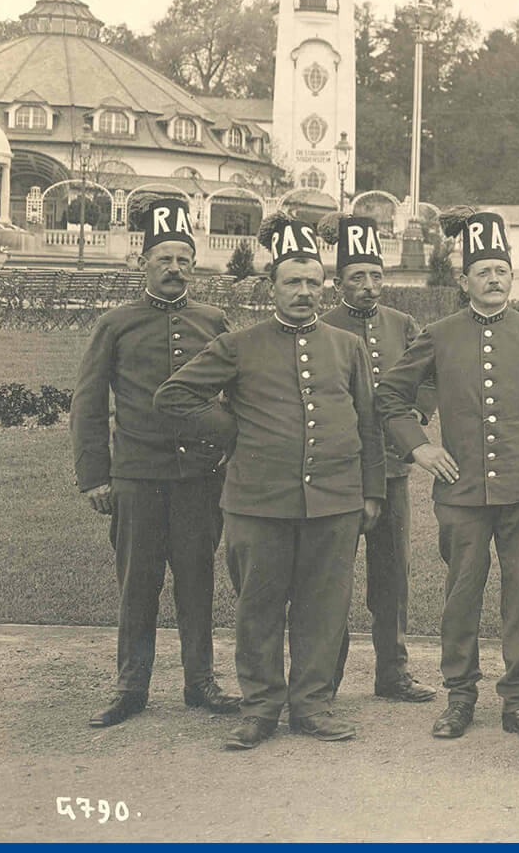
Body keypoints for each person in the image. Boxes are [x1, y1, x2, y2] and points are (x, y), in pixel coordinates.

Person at [156, 212, 385, 750]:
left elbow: (368, 422)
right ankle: (259, 708)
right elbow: (174, 396)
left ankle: (312, 706)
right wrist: (234, 431)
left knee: (323, 609)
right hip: (257, 502)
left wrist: (371, 491)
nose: (304, 292)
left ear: (324, 286)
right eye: (292, 282)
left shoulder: (346, 346)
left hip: (334, 500)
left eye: (313, 282)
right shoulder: (240, 344)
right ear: (271, 287)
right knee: (258, 607)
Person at [375, 208, 519, 742]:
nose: (494, 279)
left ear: (512, 277)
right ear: (464, 281)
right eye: (483, 271)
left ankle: (518, 698)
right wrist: (419, 447)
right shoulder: (439, 335)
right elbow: (389, 395)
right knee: (462, 593)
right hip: (461, 492)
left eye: (501, 271)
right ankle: (460, 695)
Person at [70, 194, 239, 728]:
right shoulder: (116, 324)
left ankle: (200, 682)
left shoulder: (213, 320)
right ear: (142, 262)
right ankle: (131, 686)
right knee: (137, 585)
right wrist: (94, 477)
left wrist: (228, 452)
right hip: (138, 477)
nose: (174, 268)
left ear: (195, 265)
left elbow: (239, 393)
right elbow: (88, 402)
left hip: (197, 480)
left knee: (197, 580)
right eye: (164, 258)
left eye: (184, 259)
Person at [315, 214, 438, 705]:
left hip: (391, 470)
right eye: (357, 277)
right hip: (341, 473)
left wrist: (416, 414)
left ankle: (393, 672)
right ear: (338, 282)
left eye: (376, 276)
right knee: (332, 578)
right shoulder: (324, 327)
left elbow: (429, 375)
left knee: (392, 576)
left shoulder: (401, 324)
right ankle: (326, 678)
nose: (368, 286)